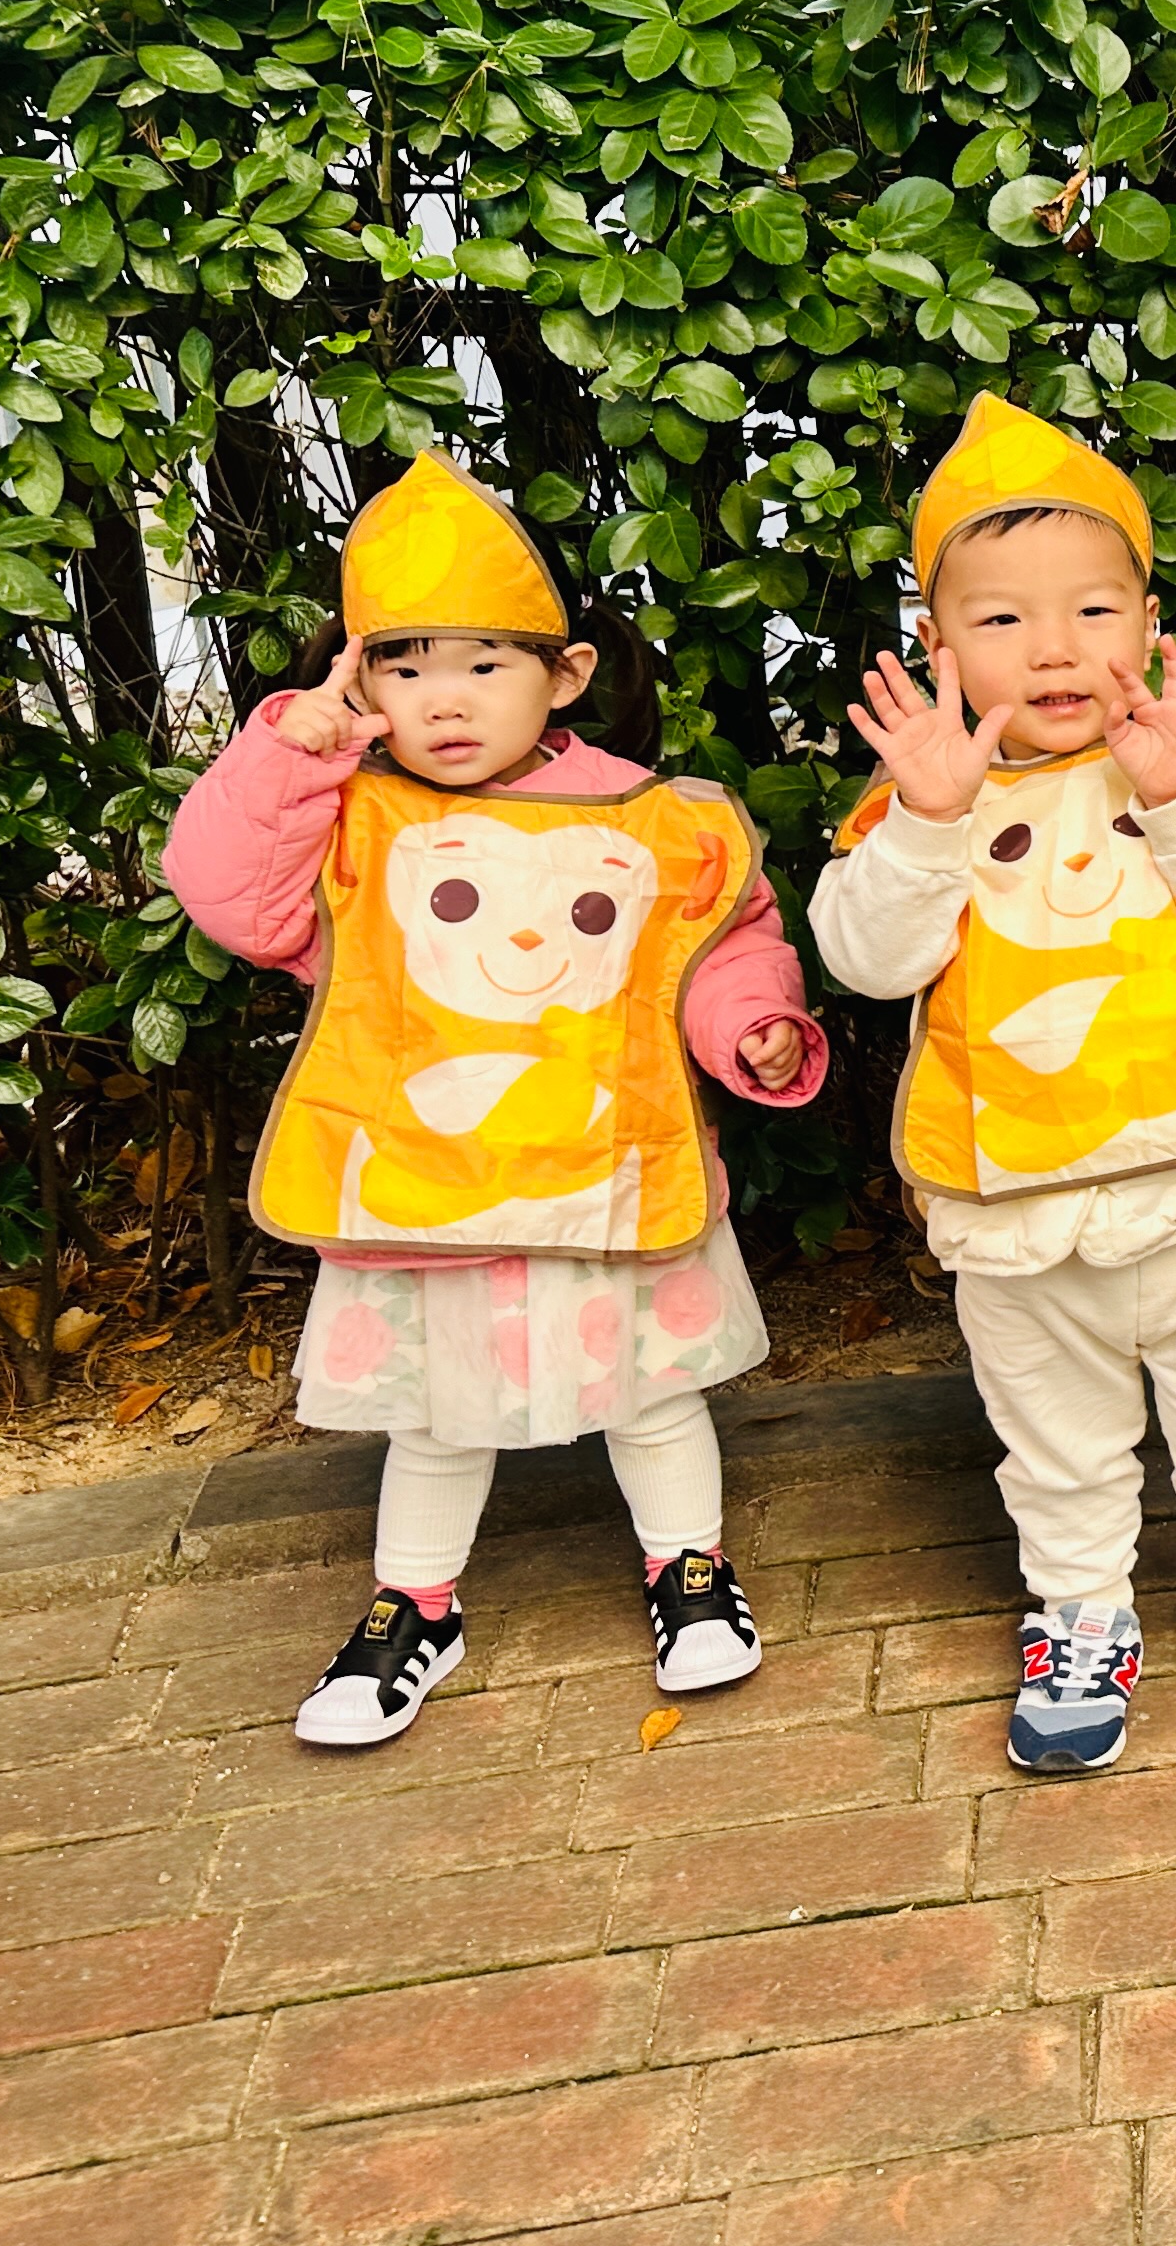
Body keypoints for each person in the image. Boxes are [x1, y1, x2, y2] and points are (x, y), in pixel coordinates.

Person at [169, 455, 825, 1747]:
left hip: (603, 1169)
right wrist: (294, 754)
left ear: (564, 675)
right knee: (432, 1417)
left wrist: (748, 1024)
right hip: (427, 1188)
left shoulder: (656, 821)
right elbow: (230, 897)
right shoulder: (344, 823)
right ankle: (416, 1604)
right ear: (360, 681)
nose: (445, 698)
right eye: (403, 668)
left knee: (653, 1394)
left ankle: (689, 1566)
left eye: (482, 663)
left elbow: (718, 948)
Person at [814, 394, 1176, 1772]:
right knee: (1058, 1442)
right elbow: (869, 963)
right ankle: (1079, 1612)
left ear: (1149, 623)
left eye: (1092, 610)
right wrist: (929, 822)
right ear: (938, 644)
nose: (1055, 647)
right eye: (1003, 619)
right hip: (1018, 1208)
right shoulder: (914, 798)